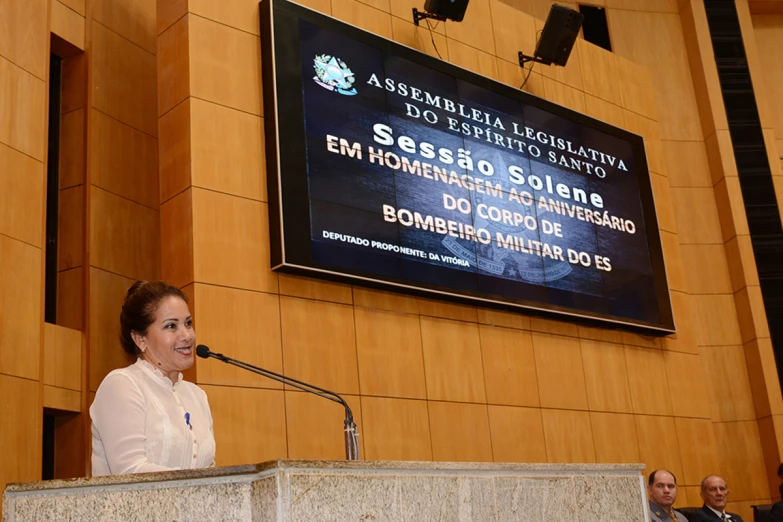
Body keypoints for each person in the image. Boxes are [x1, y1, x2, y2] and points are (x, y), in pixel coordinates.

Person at [90, 281, 216, 475]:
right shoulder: (122, 385)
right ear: (140, 339)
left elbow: (210, 469)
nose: (187, 335)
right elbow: (130, 471)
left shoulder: (197, 396)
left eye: (188, 323)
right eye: (171, 326)